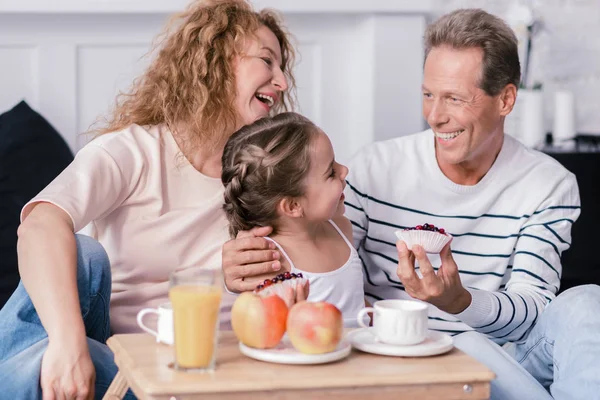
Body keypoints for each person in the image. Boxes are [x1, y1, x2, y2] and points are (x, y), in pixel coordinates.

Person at [221, 8, 600, 400]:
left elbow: (534, 314)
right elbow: (309, 246)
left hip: (506, 358)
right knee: (465, 348)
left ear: (505, 100)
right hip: (398, 356)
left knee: (588, 302)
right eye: (428, 94)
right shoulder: (373, 170)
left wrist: (459, 302)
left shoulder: (548, 185)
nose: (435, 116)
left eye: (454, 98)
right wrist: (246, 265)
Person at [0, 0, 297, 398]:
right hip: (104, 356)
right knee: (84, 257)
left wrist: (232, 280)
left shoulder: (266, 177)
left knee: (84, 358)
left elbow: (307, 273)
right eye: (267, 61)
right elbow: (39, 225)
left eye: (282, 69)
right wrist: (69, 345)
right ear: (216, 61)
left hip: (199, 370)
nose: (282, 82)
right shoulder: (134, 151)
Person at [221, 112, 364, 325]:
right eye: (331, 173)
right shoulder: (270, 260)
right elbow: (263, 329)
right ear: (293, 206)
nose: (344, 170)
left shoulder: (342, 228)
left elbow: (356, 307)